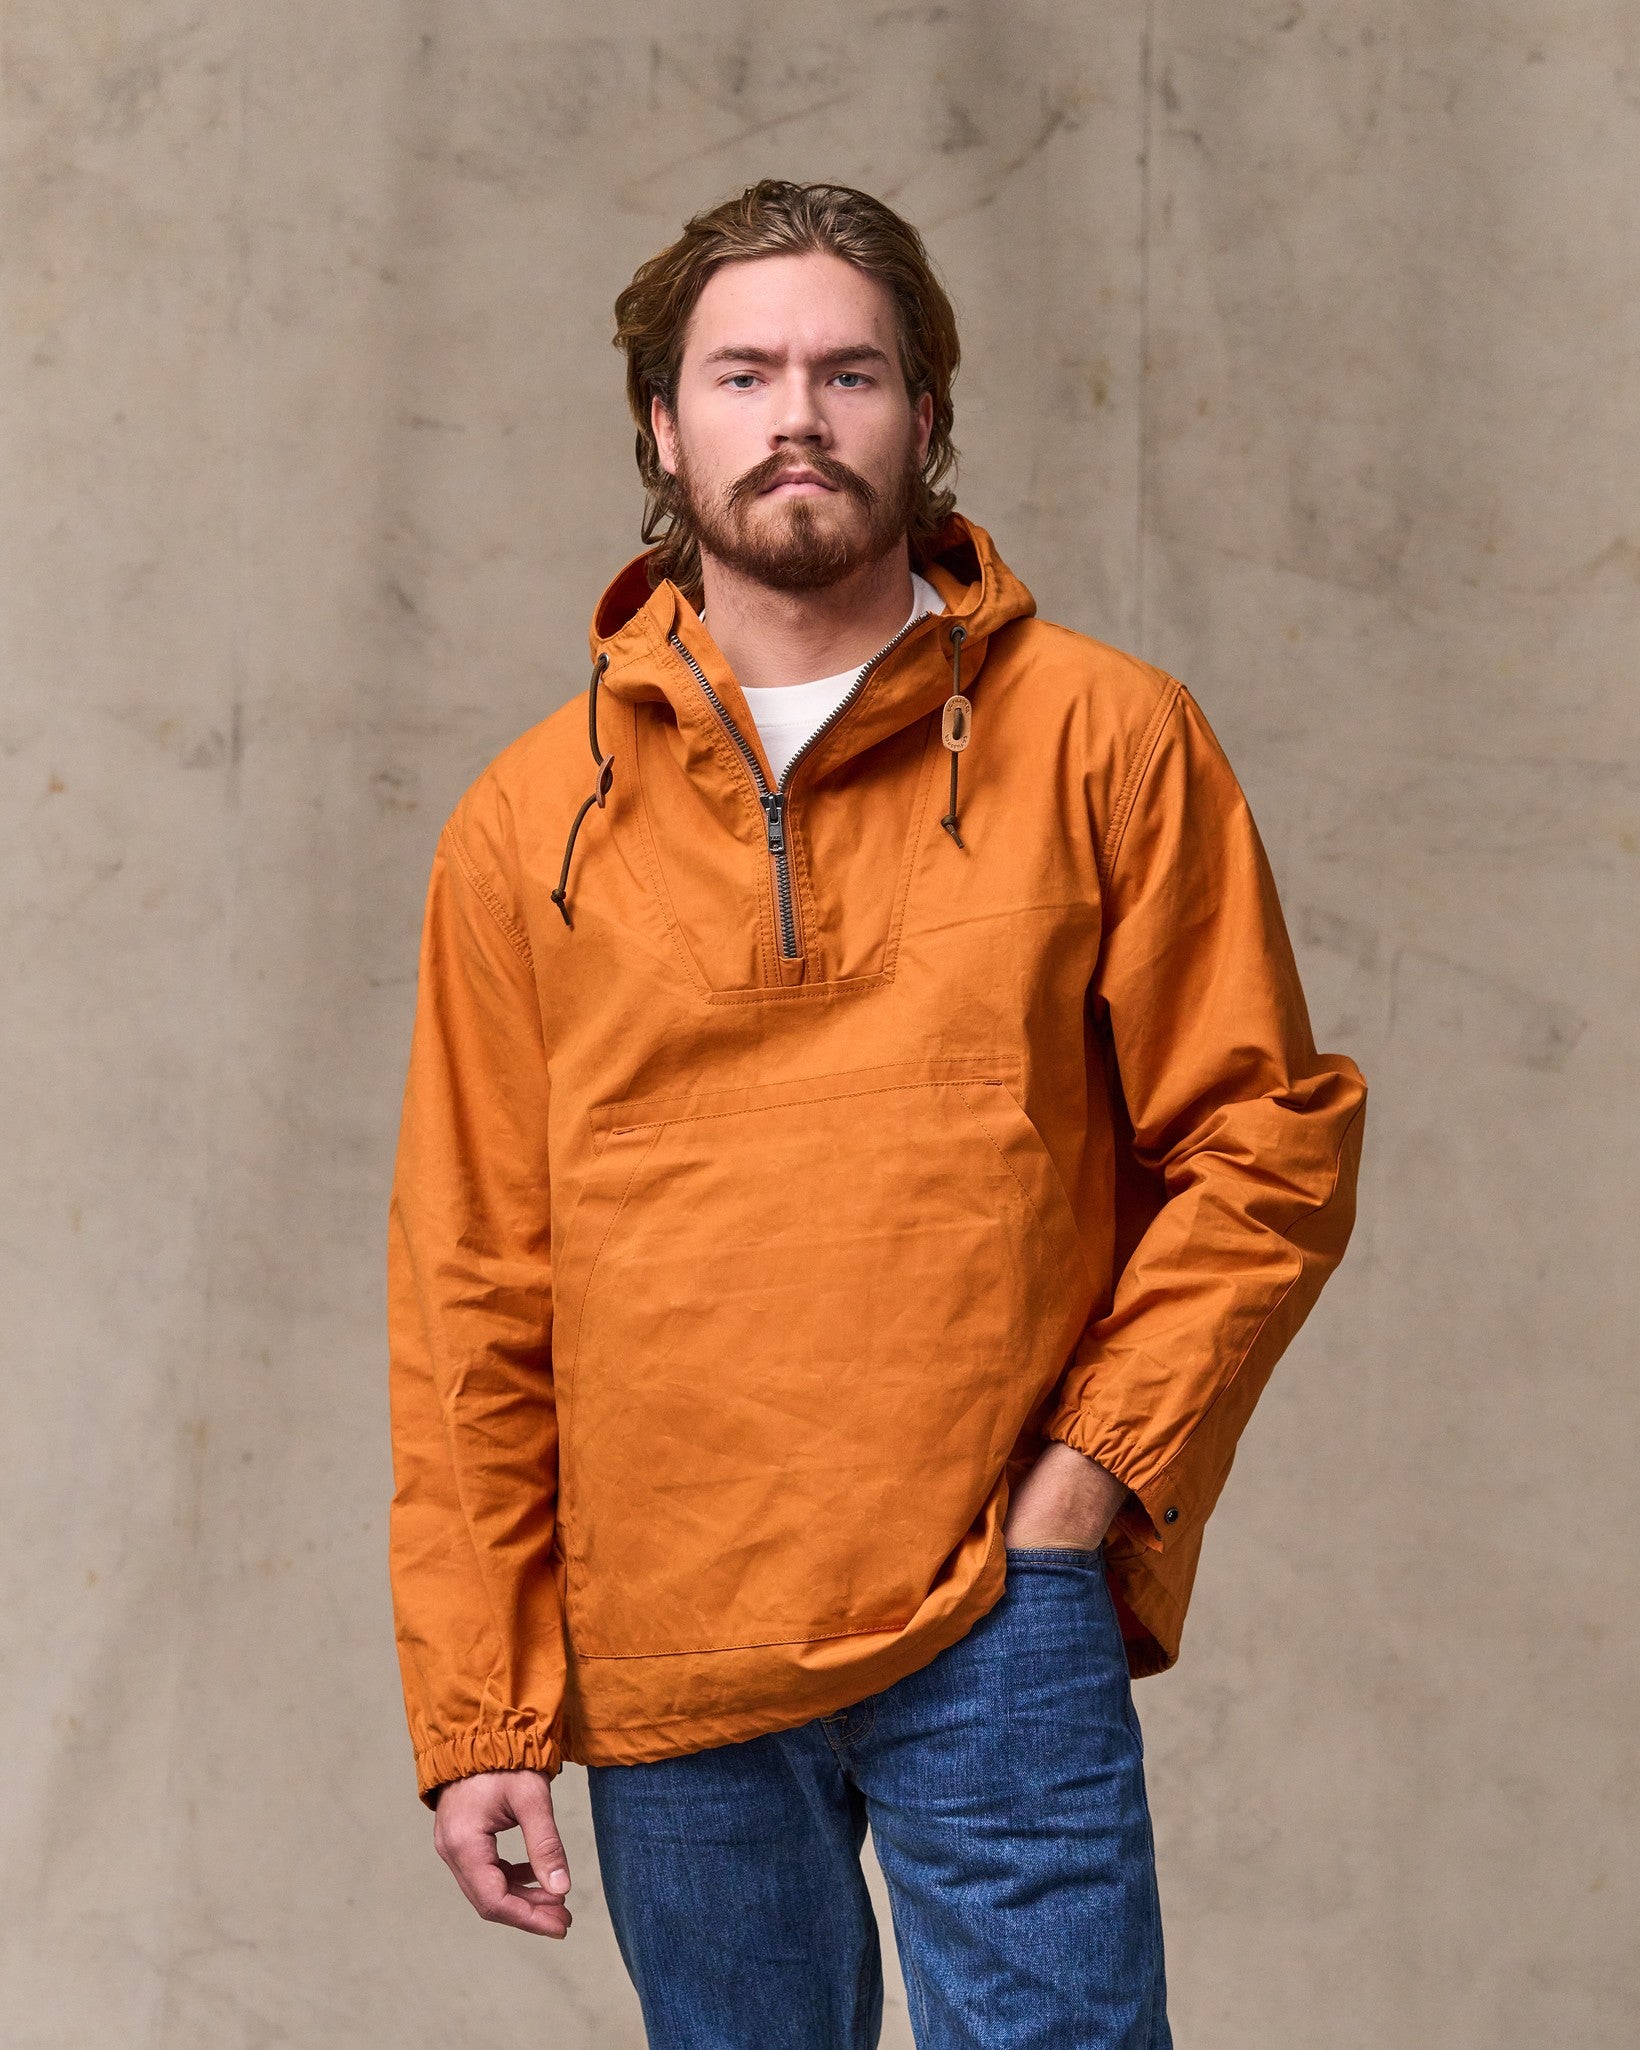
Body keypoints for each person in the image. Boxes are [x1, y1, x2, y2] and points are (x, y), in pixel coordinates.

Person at [387, 179, 1367, 2050]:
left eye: (849, 372)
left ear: (925, 414)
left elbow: (1268, 1144)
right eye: (742, 373)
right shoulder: (527, 824)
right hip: (668, 1638)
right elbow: (474, 1288)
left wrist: (1085, 1486)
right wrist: (481, 1704)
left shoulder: (1106, 739)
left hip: (995, 1601)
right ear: (662, 427)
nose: (798, 416)